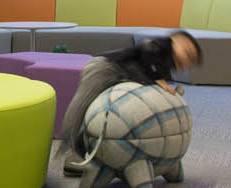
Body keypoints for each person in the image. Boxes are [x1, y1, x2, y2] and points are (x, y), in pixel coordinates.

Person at [56, 30, 202, 175]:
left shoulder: (164, 65)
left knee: (103, 117)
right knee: (81, 107)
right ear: (175, 41)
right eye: (187, 53)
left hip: (120, 77)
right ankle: (70, 152)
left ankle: (80, 155)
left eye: (191, 61)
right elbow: (146, 55)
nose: (187, 61)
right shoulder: (159, 46)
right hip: (104, 67)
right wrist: (157, 78)